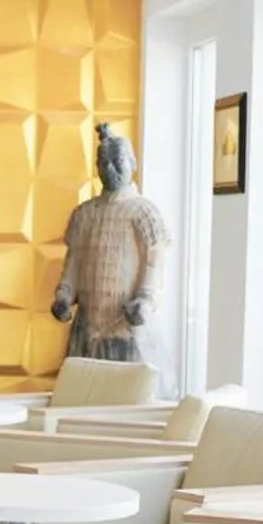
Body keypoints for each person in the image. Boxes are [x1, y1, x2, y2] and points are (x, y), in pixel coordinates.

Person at [51, 122, 171, 361]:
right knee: (83, 393)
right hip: (87, 326)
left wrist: (145, 300)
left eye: (118, 161)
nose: (110, 168)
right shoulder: (84, 213)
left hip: (126, 326)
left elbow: (154, 262)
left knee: (129, 394)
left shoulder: (144, 213)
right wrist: (64, 295)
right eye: (103, 162)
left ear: (133, 163)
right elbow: (74, 261)